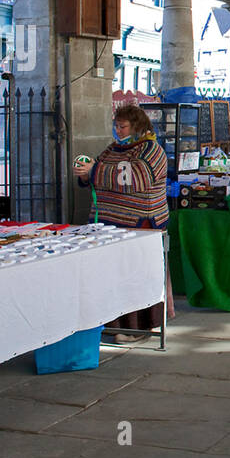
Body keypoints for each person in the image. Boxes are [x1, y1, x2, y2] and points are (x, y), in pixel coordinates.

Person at [74, 104, 170, 341]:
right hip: (109, 226)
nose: (118, 130)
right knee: (112, 278)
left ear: (137, 126)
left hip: (140, 226)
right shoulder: (112, 150)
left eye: (123, 126)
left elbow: (136, 177)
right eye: (116, 125)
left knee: (135, 277)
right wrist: (86, 174)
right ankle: (113, 325)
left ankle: (138, 328)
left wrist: (95, 170)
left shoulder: (151, 151)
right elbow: (101, 171)